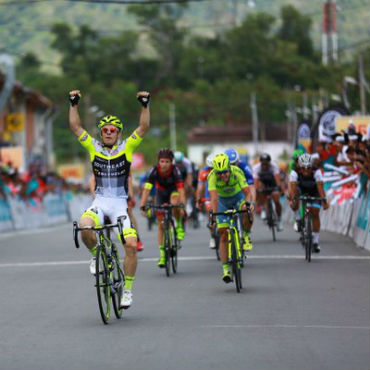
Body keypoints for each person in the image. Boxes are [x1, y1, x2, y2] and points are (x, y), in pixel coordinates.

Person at [69, 88, 150, 310]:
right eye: (104, 130)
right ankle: (96, 255)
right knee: (84, 227)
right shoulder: (93, 147)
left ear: (119, 133)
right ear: (101, 132)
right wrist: (73, 104)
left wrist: (145, 105)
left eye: (112, 130)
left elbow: (143, 127)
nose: (108, 132)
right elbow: (75, 127)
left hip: (120, 206)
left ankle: (128, 290)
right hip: (100, 203)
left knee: (131, 245)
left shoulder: (127, 147)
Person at [207, 153, 254, 283]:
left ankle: (245, 235)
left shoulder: (237, 171)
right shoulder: (211, 177)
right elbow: (214, 198)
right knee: (223, 234)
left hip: (238, 197)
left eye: (225, 172)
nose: (223, 176)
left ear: (229, 168)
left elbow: (247, 193)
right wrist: (214, 216)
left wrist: (248, 204)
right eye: (219, 174)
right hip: (222, 201)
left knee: (246, 209)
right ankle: (226, 269)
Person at [140, 148, 186, 267]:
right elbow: (147, 189)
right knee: (161, 224)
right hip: (161, 193)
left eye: (167, 162)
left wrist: (182, 205)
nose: (164, 164)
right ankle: (162, 254)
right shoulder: (154, 171)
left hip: (173, 192)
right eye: (162, 161)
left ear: (171, 162)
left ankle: (179, 224)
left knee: (175, 201)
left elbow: (181, 190)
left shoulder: (176, 171)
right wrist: (142, 205)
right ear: (158, 162)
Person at [288, 153, 329, 253]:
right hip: (300, 188)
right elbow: (293, 190)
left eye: (308, 168)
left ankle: (315, 241)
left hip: (314, 189)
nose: (306, 171)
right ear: (299, 166)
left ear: (312, 166)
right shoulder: (294, 173)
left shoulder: (317, 171)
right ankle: (298, 218)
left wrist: (324, 201)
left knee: (315, 212)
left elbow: (320, 188)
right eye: (303, 168)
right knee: (295, 201)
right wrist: (293, 200)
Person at [224, 148, 255, 250]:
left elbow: (251, 186)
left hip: (241, 193)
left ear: (238, 161)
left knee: (249, 210)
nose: (233, 166)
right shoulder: (222, 171)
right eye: (230, 164)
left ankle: (246, 236)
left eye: (235, 163)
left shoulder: (244, 168)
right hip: (226, 195)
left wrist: (251, 202)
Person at [253, 153, 283, 231]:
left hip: (272, 182)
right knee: (259, 190)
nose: (265, 166)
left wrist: (279, 187)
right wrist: (256, 191)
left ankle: (279, 220)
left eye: (266, 164)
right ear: (261, 163)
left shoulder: (274, 166)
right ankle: (263, 208)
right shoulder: (256, 168)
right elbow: (255, 182)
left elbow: (277, 179)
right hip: (262, 183)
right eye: (263, 164)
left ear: (269, 163)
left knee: (276, 200)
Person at [195, 154, 214, 248]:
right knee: (210, 213)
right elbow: (200, 188)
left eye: (213, 168)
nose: (211, 170)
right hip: (208, 195)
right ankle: (213, 237)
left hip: (221, 194)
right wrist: (198, 200)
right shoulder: (203, 172)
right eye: (210, 168)